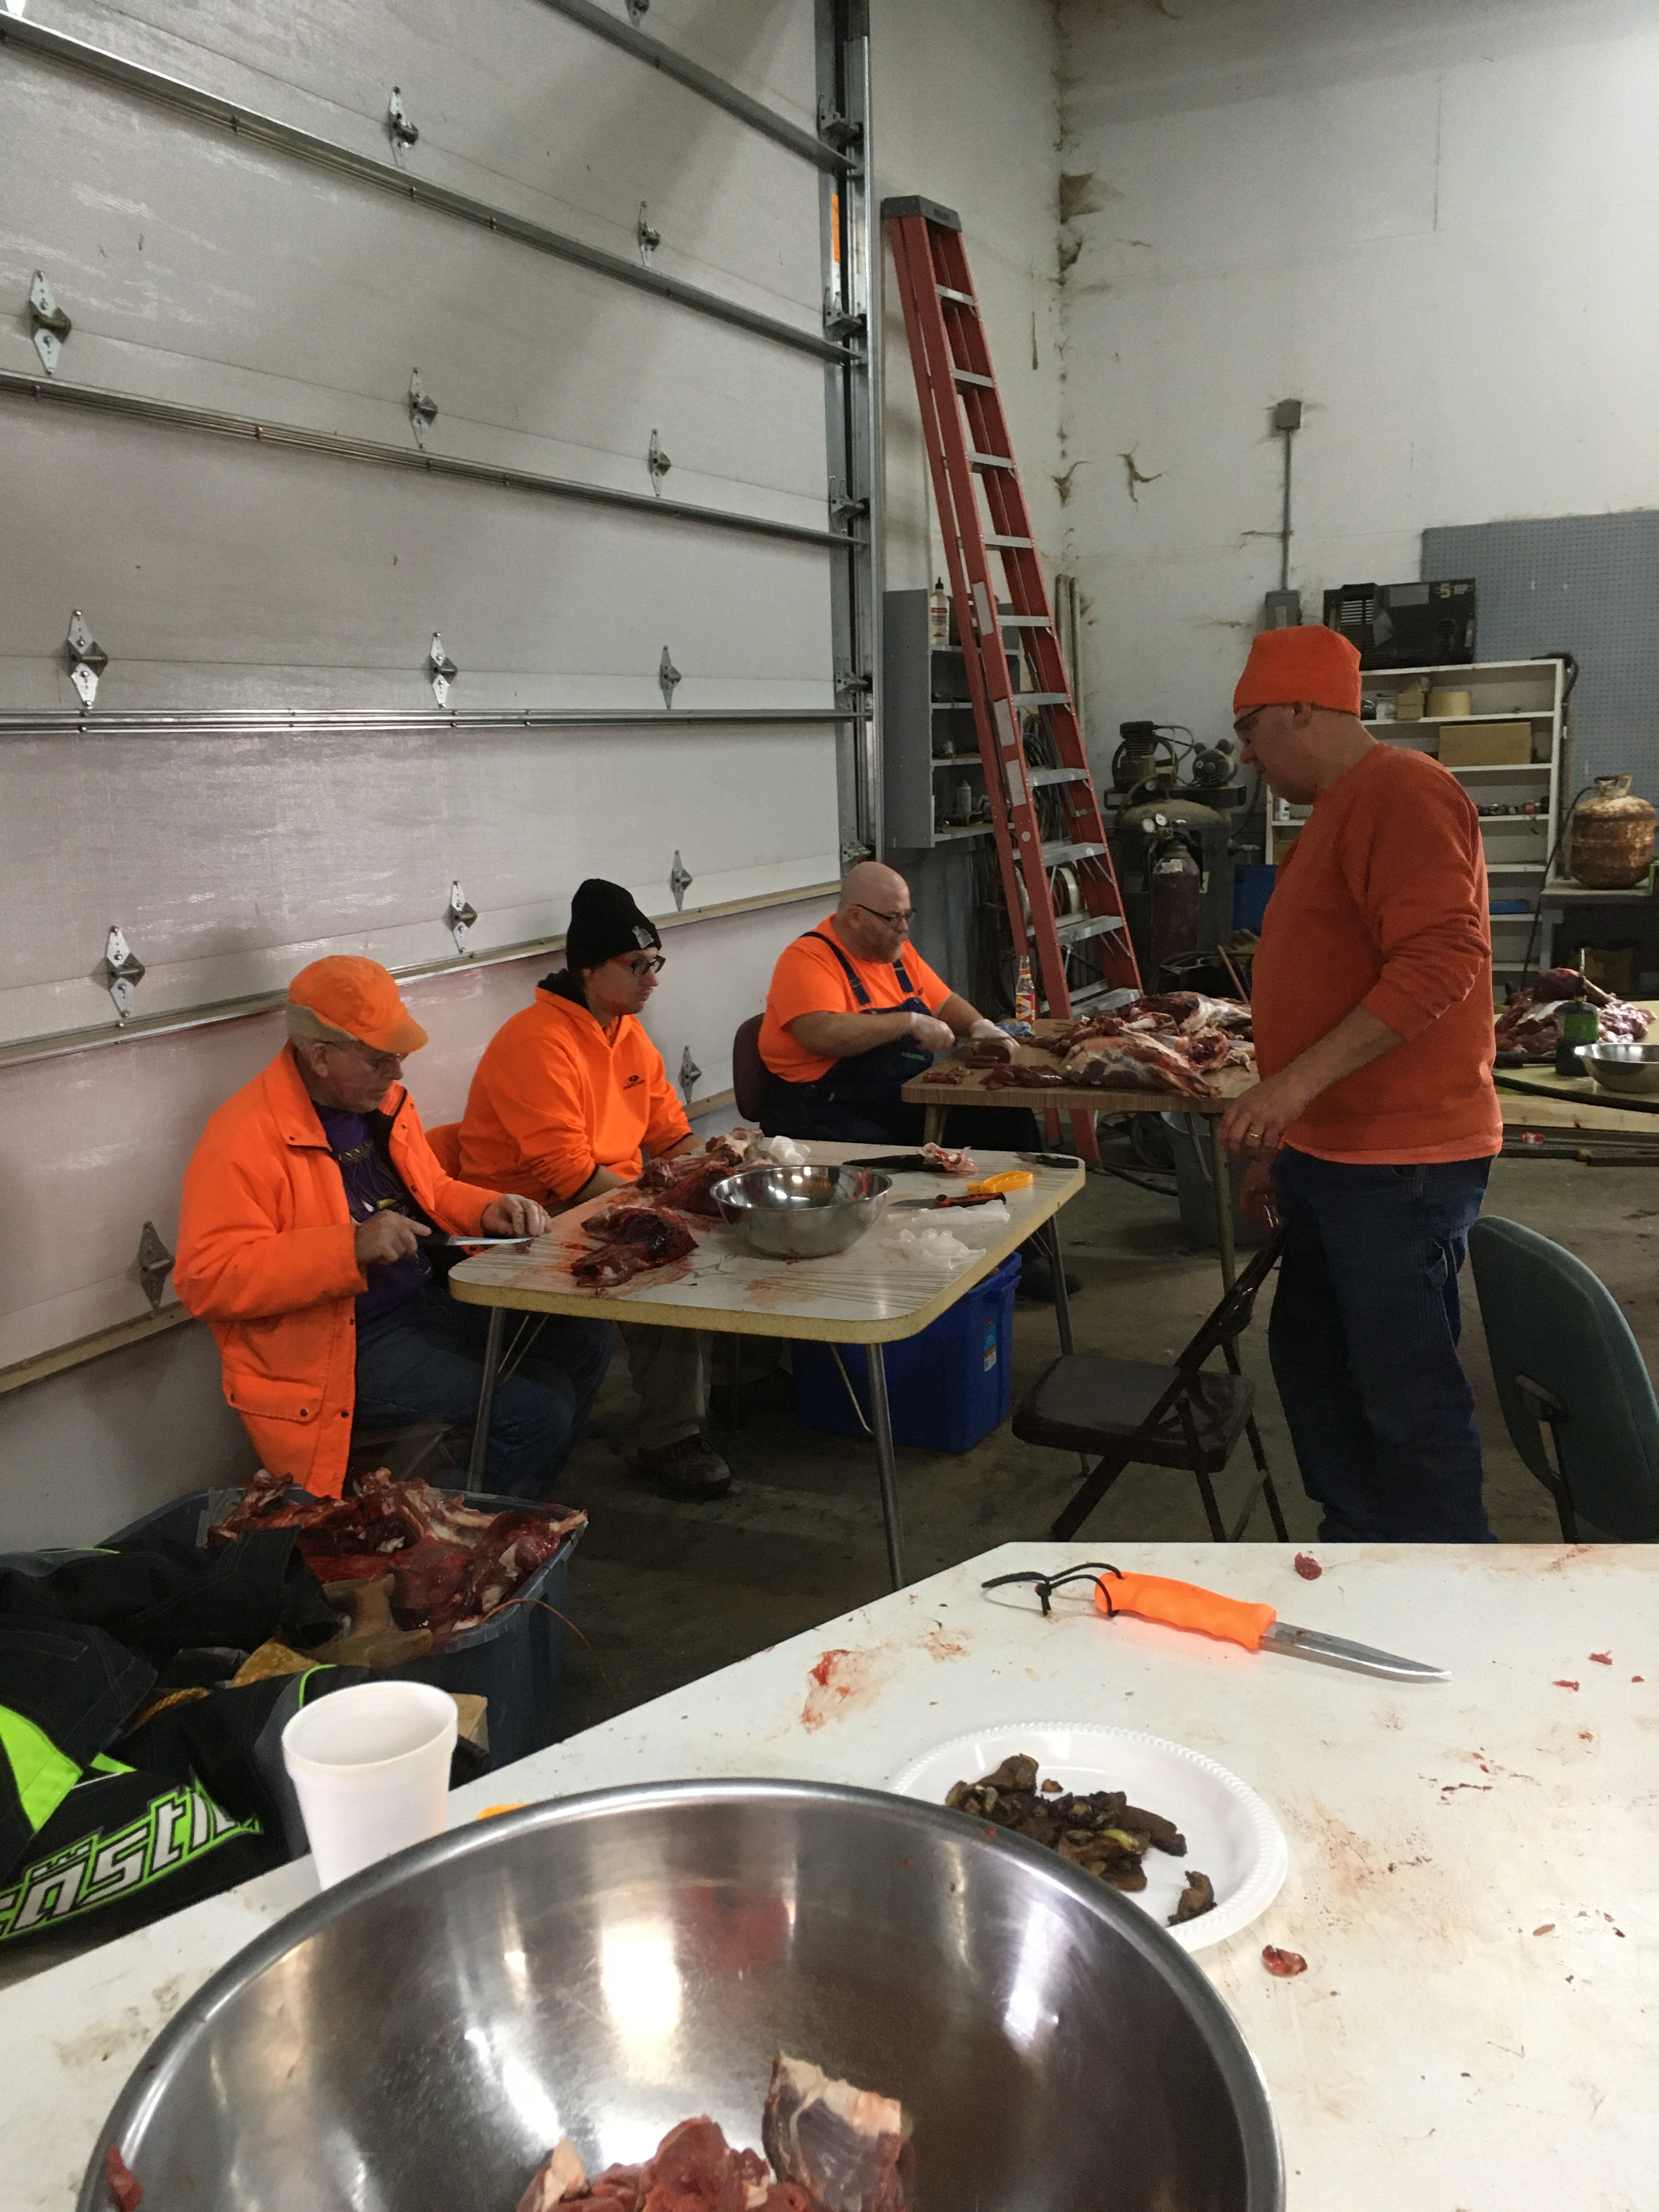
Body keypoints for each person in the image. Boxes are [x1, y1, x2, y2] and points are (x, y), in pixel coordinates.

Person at [1220, 625, 1501, 1542]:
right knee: (1314, 1366)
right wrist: (1285, 1139)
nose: (1248, 755)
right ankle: (1357, 1549)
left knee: (1404, 1394)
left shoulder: (1403, 791)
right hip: (1331, 1153)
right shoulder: (1330, 814)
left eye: (1251, 729)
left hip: (1397, 1162)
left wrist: (1288, 1090)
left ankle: (1441, 1582)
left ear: (1299, 708)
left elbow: (1440, 957)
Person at [176, 957, 612, 1501]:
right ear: (320, 1056)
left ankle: (510, 1516)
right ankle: (424, 1547)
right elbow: (206, 1279)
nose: (398, 1075)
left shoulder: (381, 1104)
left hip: (421, 1302)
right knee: (536, 1410)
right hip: (339, 1344)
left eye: (398, 1058)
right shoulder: (243, 1137)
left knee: (588, 1338)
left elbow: (431, 1191)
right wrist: (350, 1248)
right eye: (381, 1060)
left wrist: (488, 1208)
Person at [458, 879, 730, 1503]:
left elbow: (668, 1136)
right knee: (671, 1262)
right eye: (636, 965)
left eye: (655, 963)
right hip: (528, 1217)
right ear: (588, 969)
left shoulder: (627, 1033)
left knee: (720, 1226)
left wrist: (721, 1178)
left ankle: (721, 1396)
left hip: (605, 1193)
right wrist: (669, 1213)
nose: (652, 979)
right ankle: (671, 1437)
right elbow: (570, 1177)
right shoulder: (536, 1041)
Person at [758, 862, 1077, 1302]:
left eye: (909, 915)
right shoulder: (808, 959)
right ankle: (906, 1283)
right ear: (855, 916)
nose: (905, 928)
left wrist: (982, 1026)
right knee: (905, 1171)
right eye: (895, 919)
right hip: (820, 1104)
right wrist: (906, 1022)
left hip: (894, 1094)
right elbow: (821, 1033)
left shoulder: (897, 954)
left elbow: (944, 1001)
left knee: (1007, 1123)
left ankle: (1024, 1258)